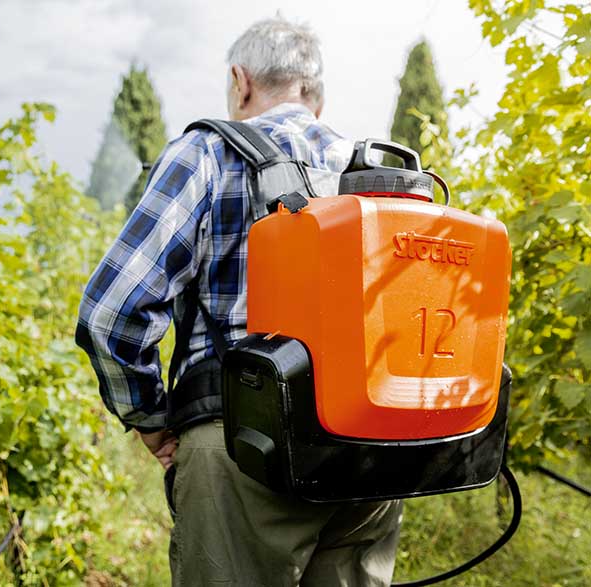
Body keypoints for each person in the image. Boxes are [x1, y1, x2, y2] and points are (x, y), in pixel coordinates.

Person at [76, 17, 403, 587]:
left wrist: (150, 419)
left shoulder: (207, 152)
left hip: (243, 446)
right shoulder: (379, 174)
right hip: (372, 454)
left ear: (240, 81)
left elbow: (113, 311)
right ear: (315, 96)